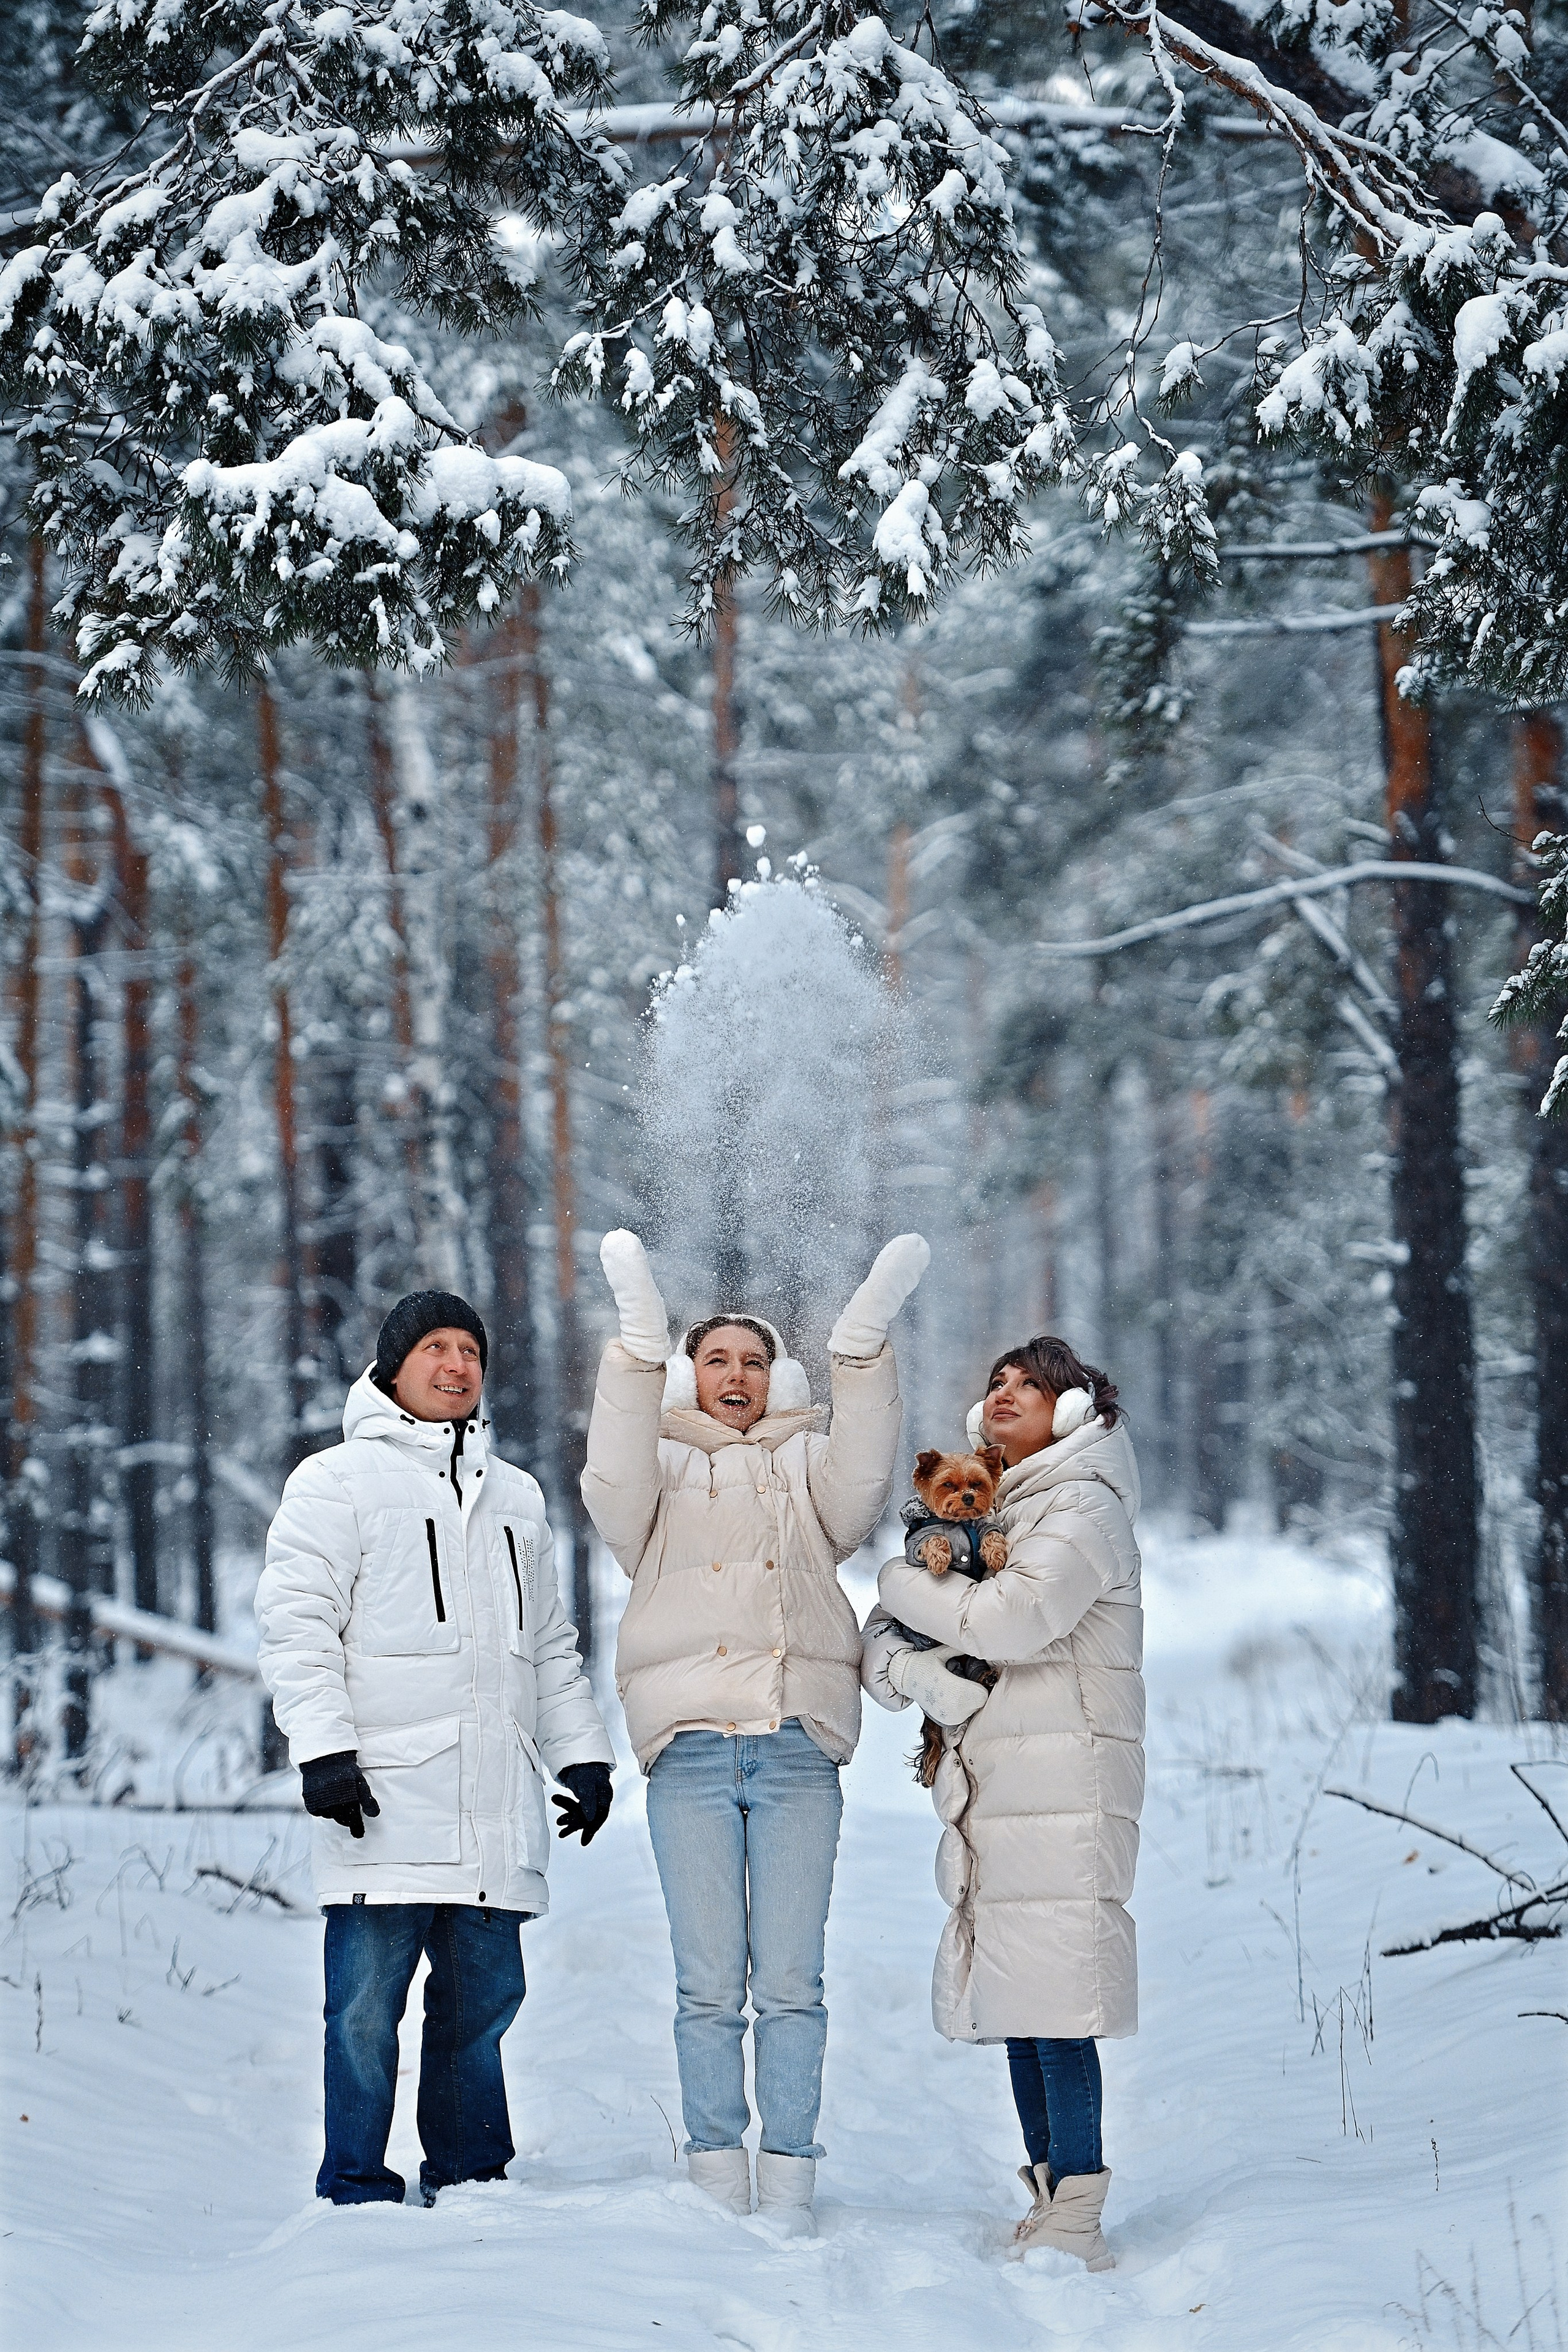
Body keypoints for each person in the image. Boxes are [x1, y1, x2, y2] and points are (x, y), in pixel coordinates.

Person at [581, 1229, 929, 2235]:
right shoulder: (652, 1470)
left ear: (778, 1380)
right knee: (705, 1988)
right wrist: (636, 1346)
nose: (735, 1376)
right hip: (689, 1751)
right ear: (688, 1376)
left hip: (793, 1746)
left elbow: (865, 1476)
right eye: (715, 1360)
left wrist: (860, 1350)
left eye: (753, 1361)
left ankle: (788, 2175)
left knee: (790, 1986)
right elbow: (609, 1475)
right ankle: (714, 2175)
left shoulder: (807, 1466)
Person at [257, 1289, 615, 2207]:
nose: (458, 1365)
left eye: (471, 1351)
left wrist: (582, 1756)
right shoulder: (335, 1482)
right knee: (363, 2017)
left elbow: (548, 1646)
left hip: (494, 1809)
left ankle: (471, 2180)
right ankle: (356, 2188)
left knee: (479, 2014)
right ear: (392, 1366)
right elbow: (298, 1627)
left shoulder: (517, 1496)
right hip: (380, 1800)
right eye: (436, 1348)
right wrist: (324, 1750)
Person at [863, 1335, 1144, 2271]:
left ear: (1076, 1411)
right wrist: (908, 1663)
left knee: (1057, 2005)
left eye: (1034, 1385)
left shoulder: (1084, 1506)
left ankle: (1080, 2215)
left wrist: (898, 1579)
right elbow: (881, 1642)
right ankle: (1050, 2193)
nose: (1007, 1392)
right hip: (1002, 1786)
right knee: (1023, 2003)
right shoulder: (1002, 1504)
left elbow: (1009, 1620)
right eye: (997, 1382)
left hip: (1066, 1785)